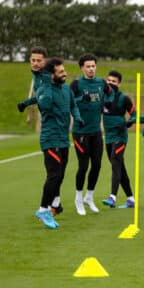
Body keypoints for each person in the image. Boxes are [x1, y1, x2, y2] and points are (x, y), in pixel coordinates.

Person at [34, 57, 83, 228]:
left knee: (60, 175)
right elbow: (46, 106)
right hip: (50, 139)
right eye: (61, 72)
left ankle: (54, 206)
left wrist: (77, 117)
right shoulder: (42, 89)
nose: (65, 74)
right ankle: (43, 209)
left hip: (63, 140)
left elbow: (73, 105)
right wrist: (47, 84)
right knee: (53, 175)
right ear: (51, 75)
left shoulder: (66, 88)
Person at [71, 53, 111, 215]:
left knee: (97, 165)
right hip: (80, 133)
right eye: (87, 66)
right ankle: (78, 199)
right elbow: (68, 102)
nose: (91, 69)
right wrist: (82, 98)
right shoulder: (76, 85)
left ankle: (89, 196)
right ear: (82, 68)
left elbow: (111, 95)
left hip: (96, 132)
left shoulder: (101, 83)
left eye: (93, 66)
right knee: (83, 166)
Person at [101, 70, 137, 209]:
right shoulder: (102, 97)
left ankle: (112, 197)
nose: (110, 83)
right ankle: (131, 199)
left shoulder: (124, 98)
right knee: (120, 168)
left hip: (120, 136)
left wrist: (129, 122)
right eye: (109, 81)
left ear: (119, 83)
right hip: (108, 137)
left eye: (114, 81)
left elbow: (135, 114)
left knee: (116, 162)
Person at [17, 46, 48, 113]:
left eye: (39, 61)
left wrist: (24, 104)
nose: (35, 63)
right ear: (30, 60)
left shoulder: (47, 76)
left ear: (45, 61)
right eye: (33, 60)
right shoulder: (36, 72)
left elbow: (41, 96)